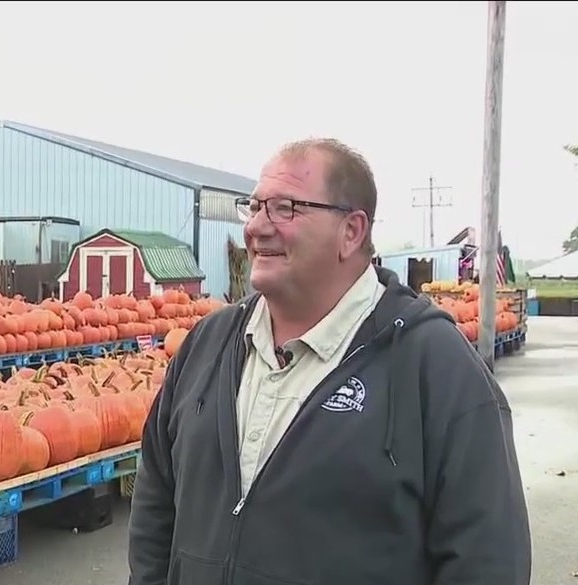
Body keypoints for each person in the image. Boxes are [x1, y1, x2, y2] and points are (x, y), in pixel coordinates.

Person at [127, 138, 531, 585]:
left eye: (285, 208)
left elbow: (487, 559)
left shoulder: (434, 366)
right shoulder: (208, 345)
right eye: (256, 206)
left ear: (351, 231)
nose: (258, 227)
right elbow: (155, 501)